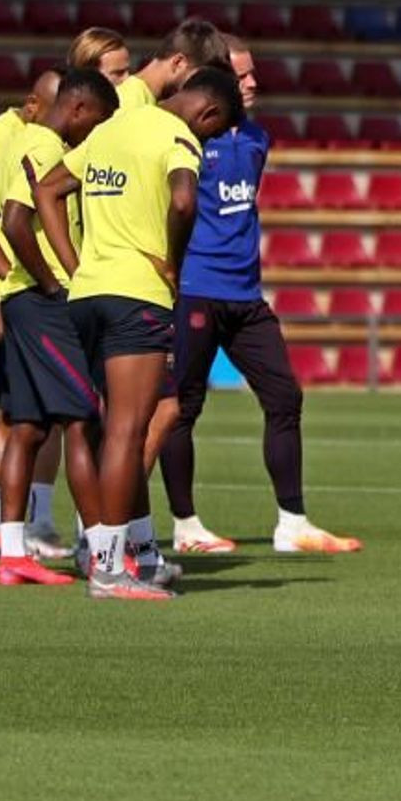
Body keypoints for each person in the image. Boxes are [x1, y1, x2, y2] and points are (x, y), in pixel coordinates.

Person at [38, 64, 243, 599]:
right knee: (129, 431)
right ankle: (109, 568)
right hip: (137, 297)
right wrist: (173, 263)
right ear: (209, 112)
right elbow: (183, 200)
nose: (208, 139)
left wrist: (75, 263)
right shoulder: (177, 137)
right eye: (213, 132)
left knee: (104, 430)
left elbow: (48, 191)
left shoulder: (110, 129)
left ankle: (133, 557)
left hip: (88, 295)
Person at [155, 38, 357, 558]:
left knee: (285, 397)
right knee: (182, 408)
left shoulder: (259, 140)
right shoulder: (183, 139)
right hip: (196, 290)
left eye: (253, 76)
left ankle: (292, 523)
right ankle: (185, 524)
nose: (252, 84)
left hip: (245, 295)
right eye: (242, 76)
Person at [0, 71, 120, 585]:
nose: (96, 135)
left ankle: (14, 554)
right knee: (84, 419)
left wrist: (11, 283)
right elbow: (17, 219)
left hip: (22, 299)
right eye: (98, 124)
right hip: (44, 303)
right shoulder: (44, 146)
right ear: (80, 109)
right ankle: (101, 555)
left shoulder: (21, 141)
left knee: (28, 426)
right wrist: (49, 282)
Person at [0, 66, 71, 562]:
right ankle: (6, 518)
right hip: (15, 296)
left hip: (24, 293)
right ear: (32, 106)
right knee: (17, 414)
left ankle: (24, 520)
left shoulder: (39, 140)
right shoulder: (3, 140)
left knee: (35, 413)